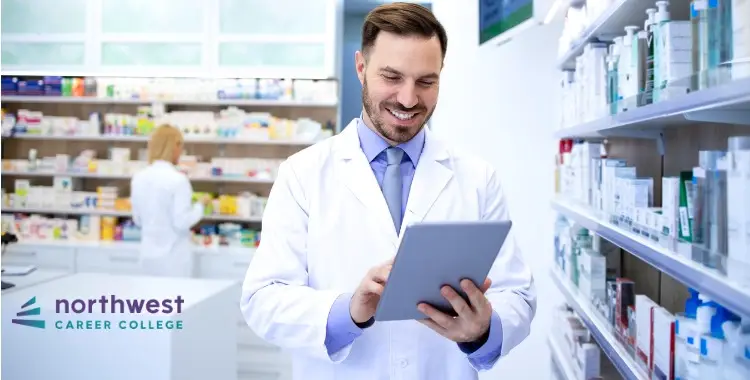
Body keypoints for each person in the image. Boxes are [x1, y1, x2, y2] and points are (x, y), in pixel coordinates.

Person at [240, 3, 536, 379]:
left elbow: (518, 296)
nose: (409, 99)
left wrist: (483, 330)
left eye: (426, 82)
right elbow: (262, 298)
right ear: (361, 67)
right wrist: (348, 310)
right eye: (392, 77)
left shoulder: (477, 178)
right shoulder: (303, 174)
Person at [130, 125, 210, 277]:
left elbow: (138, 219)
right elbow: (181, 221)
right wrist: (200, 206)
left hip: (147, 257)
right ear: (175, 146)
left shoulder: (138, 178)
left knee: (149, 299)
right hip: (173, 260)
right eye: (181, 147)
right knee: (175, 300)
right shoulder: (178, 180)